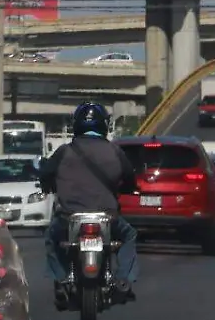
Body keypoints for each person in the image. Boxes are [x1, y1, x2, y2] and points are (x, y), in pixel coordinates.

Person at [38, 101, 140, 308]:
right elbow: (130, 179)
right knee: (129, 235)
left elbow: (45, 174)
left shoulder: (64, 151)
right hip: (107, 217)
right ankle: (123, 279)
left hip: (69, 216)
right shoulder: (115, 151)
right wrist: (128, 188)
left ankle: (61, 279)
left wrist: (48, 185)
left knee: (51, 237)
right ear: (104, 125)